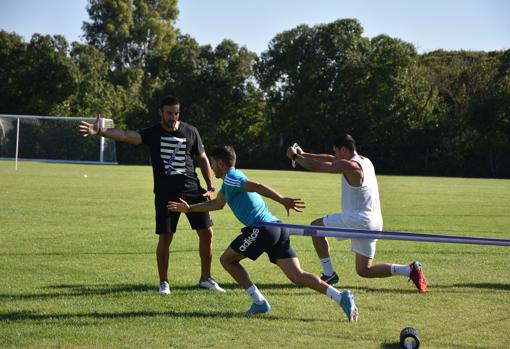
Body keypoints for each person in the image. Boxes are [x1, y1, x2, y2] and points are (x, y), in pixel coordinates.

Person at [167, 146, 359, 322]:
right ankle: (340, 296)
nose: (210, 167)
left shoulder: (233, 176)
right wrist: (189, 209)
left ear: (220, 163)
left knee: (227, 260)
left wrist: (282, 199)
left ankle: (259, 302)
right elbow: (217, 204)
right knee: (297, 275)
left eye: (212, 163)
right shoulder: (228, 182)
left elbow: (257, 186)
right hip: (277, 228)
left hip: (263, 228)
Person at [79, 95, 224, 295]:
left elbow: (203, 158)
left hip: (193, 190)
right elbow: (126, 134)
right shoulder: (153, 133)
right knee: (165, 237)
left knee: (207, 233)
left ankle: (206, 279)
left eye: (176, 113)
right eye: (169, 113)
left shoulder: (191, 131)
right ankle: (164, 282)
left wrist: (210, 185)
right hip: (166, 194)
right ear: (161, 112)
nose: (173, 117)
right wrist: (101, 131)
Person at [286, 134, 427, 293]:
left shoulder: (351, 166)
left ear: (344, 150)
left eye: (337, 152)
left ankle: (329, 274)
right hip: (373, 222)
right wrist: (304, 154)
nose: (335, 155)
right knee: (364, 270)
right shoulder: (366, 161)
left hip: (356, 221)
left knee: (315, 228)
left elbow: (318, 166)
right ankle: (409, 269)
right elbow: (330, 159)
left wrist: (295, 157)